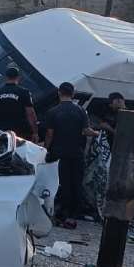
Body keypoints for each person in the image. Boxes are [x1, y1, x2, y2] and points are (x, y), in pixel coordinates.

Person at [44, 82, 99, 227]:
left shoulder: (53, 111)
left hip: (58, 153)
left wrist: (46, 149)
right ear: (73, 94)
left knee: (60, 184)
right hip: (76, 153)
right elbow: (86, 131)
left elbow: (50, 134)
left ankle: (58, 213)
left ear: (59, 93)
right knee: (76, 184)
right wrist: (97, 133)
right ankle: (72, 216)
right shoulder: (81, 111)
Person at [0, 67, 39, 140]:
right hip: (21, 130)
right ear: (18, 77)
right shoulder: (24, 92)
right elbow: (30, 114)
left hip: (2, 130)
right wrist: (35, 132)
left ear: (6, 77)